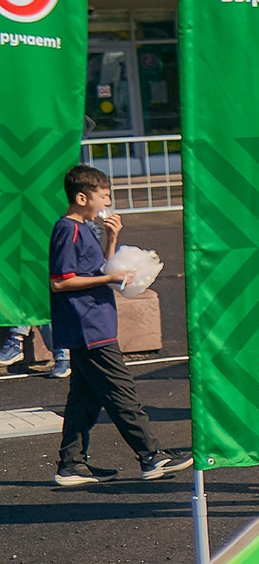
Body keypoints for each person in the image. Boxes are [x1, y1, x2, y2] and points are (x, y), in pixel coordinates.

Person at [49, 165, 188, 487]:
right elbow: (61, 281)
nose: (108, 201)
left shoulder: (87, 228)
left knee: (83, 400)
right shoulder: (67, 229)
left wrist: (112, 238)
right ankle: (150, 456)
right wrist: (110, 277)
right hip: (88, 327)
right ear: (82, 197)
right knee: (121, 393)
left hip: (95, 323)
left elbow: (97, 267)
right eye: (104, 195)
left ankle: (70, 465)